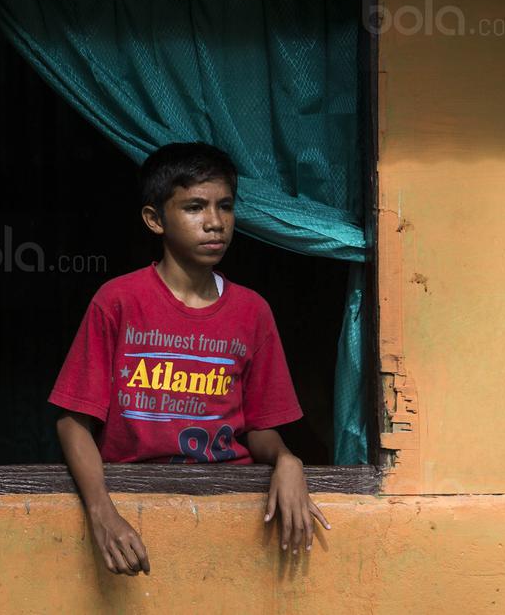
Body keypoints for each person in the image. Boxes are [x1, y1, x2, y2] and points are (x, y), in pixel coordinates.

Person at [48, 142, 331, 576]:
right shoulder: (119, 301)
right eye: (195, 207)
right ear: (154, 220)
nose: (215, 223)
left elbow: (259, 429)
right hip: (134, 501)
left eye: (226, 207)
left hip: (232, 506)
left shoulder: (252, 312)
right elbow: (72, 421)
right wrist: (102, 513)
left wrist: (286, 460)